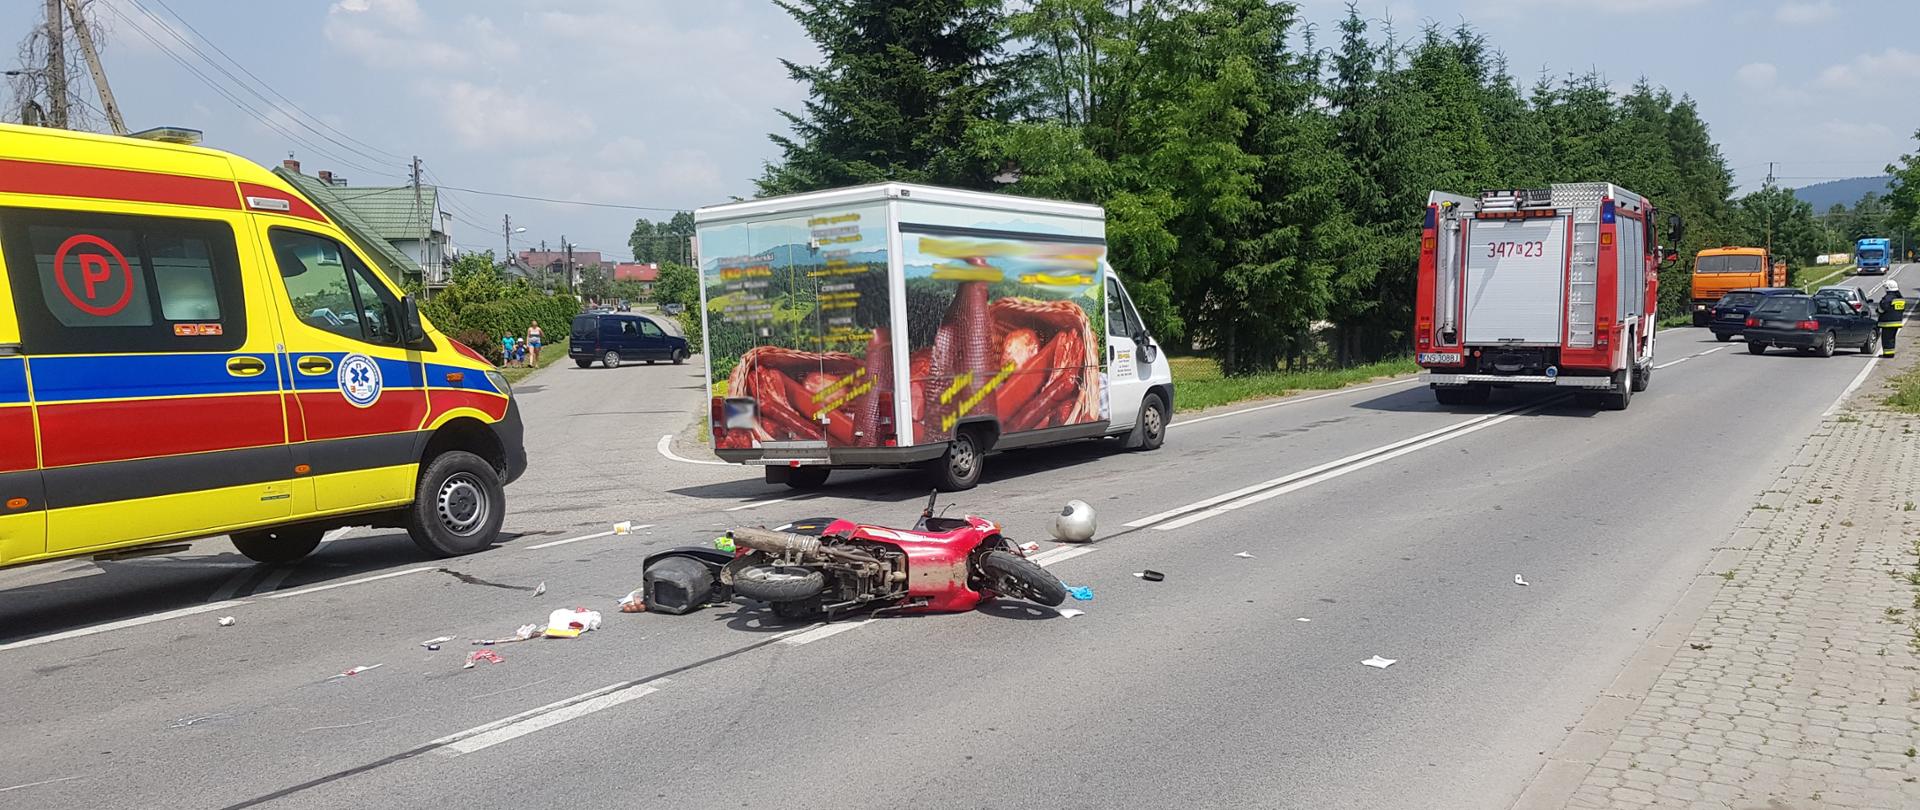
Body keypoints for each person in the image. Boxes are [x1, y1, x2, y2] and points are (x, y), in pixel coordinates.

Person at [1877, 280, 1905, 358]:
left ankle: (1887, 354)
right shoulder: (1900, 297)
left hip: (1887, 323)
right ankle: (1890, 353)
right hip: (1897, 322)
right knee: (1892, 338)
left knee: (1886, 339)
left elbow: (1882, 308)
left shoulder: (1888, 298)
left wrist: (1878, 310)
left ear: (1887, 288)